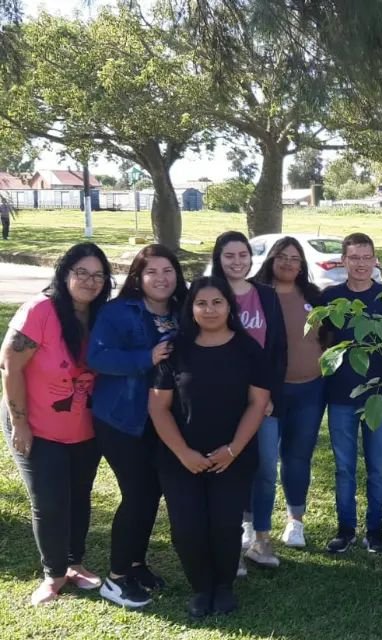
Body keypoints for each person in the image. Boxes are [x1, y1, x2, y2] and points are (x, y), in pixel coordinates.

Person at [149, 276, 270, 618]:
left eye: (217, 302)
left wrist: (232, 450)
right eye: (201, 303)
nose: (210, 309)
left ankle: (223, 586)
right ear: (191, 308)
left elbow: (257, 404)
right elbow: (158, 407)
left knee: (225, 524)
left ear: (230, 305)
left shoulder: (249, 350)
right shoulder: (175, 350)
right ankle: (201, 587)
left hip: (232, 457)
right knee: (187, 527)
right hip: (179, 459)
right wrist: (184, 454)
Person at [0, 242, 112, 605]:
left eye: (98, 275)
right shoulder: (41, 310)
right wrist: (20, 424)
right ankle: (53, 574)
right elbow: (10, 365)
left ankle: (75, 563)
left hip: (84, 428)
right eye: (81, 272)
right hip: (35, 425)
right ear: (65, 273)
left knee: (79, 495)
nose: (90, 282)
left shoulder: (99, 316)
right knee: (49, 501)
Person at [89, 244, 187, 608]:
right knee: (138, 493)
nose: (161, 278)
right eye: (152, 272)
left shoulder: (181, 310)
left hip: (160, 419)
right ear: (138, 277)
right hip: (120, 418)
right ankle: (115, 579)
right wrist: (146, 357)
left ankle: (135, 564)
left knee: (152, 492)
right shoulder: (118, 311)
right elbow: (97, 357)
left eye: (168, 271)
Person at [210, 231, 287, 570]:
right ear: (219, 258)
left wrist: (268, 394)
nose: (237, 261)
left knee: (266, 469)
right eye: (230, 255)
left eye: (243, 255)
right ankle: (229, 546)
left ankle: (261, 539)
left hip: (262, 401)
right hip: (222, 401)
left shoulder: (266, 296)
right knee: (228, 470)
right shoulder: (208, 294)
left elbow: (278, 349)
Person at [251, 237, 326, 550]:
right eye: (282, 256)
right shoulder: (255, 294)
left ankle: (295, 521)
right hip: (268, 395)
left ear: (302, 264)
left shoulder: (313, 295)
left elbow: (328, 336)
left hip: (310, 390)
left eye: (295, 258)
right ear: (271, 258)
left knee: (298, 458)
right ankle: (253, 524)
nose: (288, 263)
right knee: (264, 463)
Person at [321, 233, 382, 554]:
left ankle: (375, 529)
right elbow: (322, 343)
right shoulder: (331, 298)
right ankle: (346, 528)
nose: (361, 264)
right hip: (340, 397)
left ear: (375, 260)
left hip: (378, 397)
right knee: (344, 467)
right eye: (354, 258)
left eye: (367, 257)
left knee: (377, 466)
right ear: (343, 261)